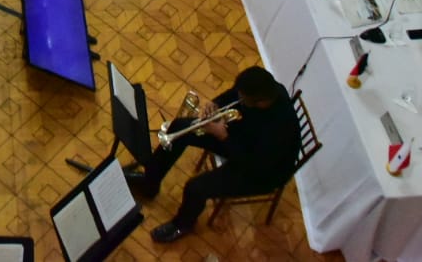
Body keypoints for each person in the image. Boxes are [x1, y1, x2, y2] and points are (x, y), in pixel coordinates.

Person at [124, 67, 300, 244]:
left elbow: (252, 164)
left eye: (243, 99)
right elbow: (231, 96)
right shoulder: (264, 87)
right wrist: (215, 104)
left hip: (261, 172)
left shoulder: (280, 129)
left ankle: (183, 224)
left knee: (196, 188)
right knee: (180, 127)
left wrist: (223, 137)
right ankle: (150, 182)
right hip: (240, 141)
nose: (239, 98)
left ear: (260, 102)